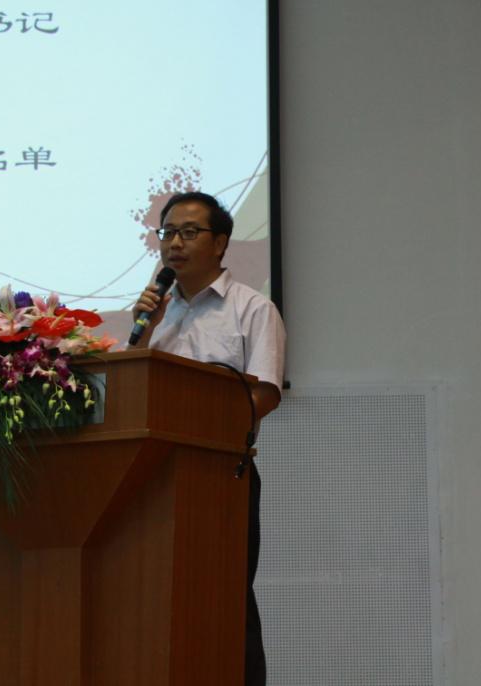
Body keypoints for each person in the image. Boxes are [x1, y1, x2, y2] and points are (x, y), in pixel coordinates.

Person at [130, 191, 285, 686]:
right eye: (168, 232)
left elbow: (264, 394)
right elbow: (131, 388)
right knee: (154, 594)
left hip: (222, 475)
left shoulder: (253, 309)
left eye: (189, 232)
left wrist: (203, 423)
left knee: (225, 596)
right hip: (152, 475)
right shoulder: (157, 313)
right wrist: (145, 328)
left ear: (220, 243)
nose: (174, 243)